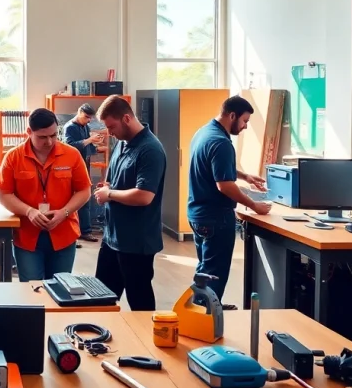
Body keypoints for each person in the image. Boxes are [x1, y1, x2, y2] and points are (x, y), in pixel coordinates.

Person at [187, 95, 272, 307]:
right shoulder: (221, 142)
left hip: (198, 214)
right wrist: (254, 205)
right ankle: (206, 314)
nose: (244, 127)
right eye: (244, 121)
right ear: (231, 115)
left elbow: (213, 166)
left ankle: (203, 305)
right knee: (214, 272)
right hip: (215, 218)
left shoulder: (204, 132)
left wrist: (244, 176)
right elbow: (224, 185)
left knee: (205, 268)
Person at [0, 108, 92, 281]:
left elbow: (84, 190)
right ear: (29, 132)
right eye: (42, 137)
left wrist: (64, 212)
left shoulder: (72, 155)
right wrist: (29, 211)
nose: (49, 141)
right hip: (27, 236)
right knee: (32, 290)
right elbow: (4, 194)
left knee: (60, 288)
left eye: (54, 135)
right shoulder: (13, 158)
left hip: (64, 233)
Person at [91, 96, 167, 311]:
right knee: (101, 298)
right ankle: (101, 340)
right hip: (113, 237)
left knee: (139, 301)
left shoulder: (150, 149)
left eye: (111, 126)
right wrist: (107, 186)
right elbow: (115, 180)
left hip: (136, 242)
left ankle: (146, 343)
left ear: (126, 118)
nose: (109, 132)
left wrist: (110, 194)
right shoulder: (122, 143)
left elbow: (144, 196)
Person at [61, 103, 106, 242]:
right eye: (86, 117)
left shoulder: (85, 127)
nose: (88, 120)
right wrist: (89, 140)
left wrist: (96, 145)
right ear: (79, 112)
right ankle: (79, 231)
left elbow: (86, 146)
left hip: (84, 165)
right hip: (73, 167)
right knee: (77, 198)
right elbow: (69, 146)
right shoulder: (69, 127)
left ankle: (84, 230)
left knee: (84, 197)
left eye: (90, 118)